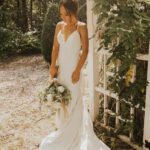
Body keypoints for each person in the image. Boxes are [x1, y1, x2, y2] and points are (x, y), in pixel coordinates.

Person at [39, 0, 110, 149]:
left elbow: (85, 51)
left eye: (66, 14)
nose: (63, 17)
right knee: (63, 101)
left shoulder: (81, 27)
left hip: (74, 72)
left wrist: (78, 70)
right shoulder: (59, 26)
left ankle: (75, 136)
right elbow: (55, 48)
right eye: (61, 14)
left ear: (73, 12)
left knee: (75, 101)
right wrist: (52, 65)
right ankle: (64, 131)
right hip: (61, 71)